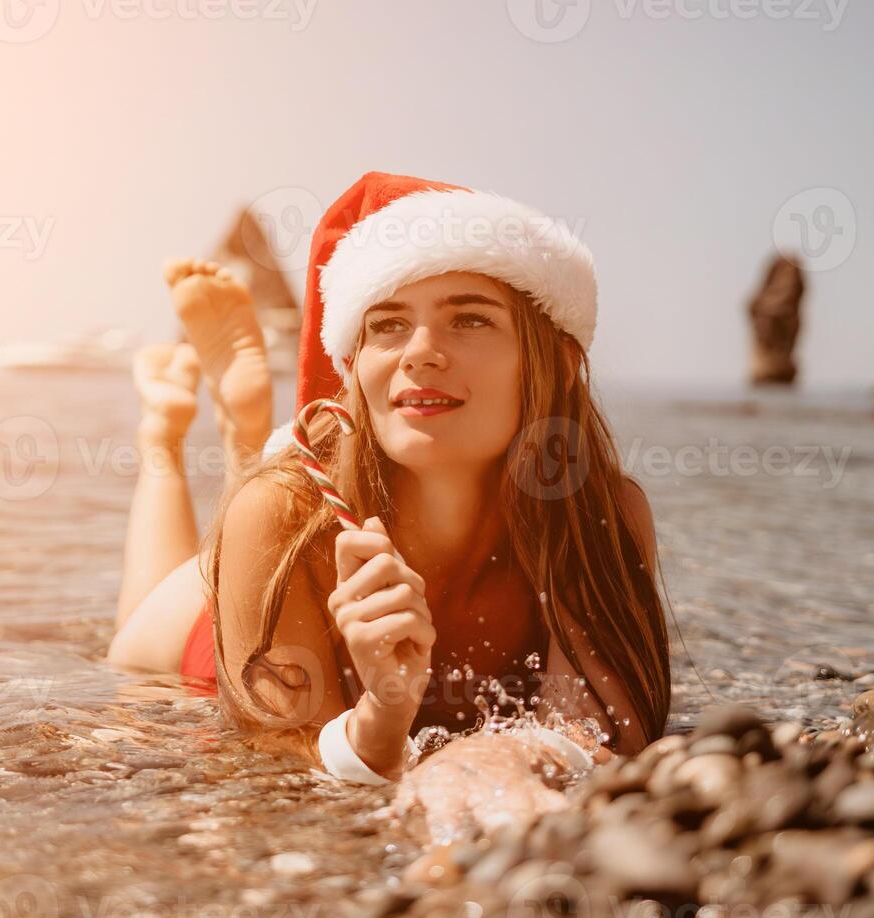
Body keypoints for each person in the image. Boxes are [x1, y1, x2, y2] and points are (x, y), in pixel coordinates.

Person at [108, 171, 671, 840]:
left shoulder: (596, 511)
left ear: (554, 360)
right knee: (133, 648)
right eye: (388, 325)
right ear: (354, 366)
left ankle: (243, 435)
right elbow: (278, 762)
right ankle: (166, 436)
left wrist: (509, 753)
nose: (422, 353)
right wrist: (380, 720)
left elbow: (602, 724)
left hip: (293, 531)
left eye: (470, 318)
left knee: (251, 509)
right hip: (240, 611)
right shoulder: (285, 516)